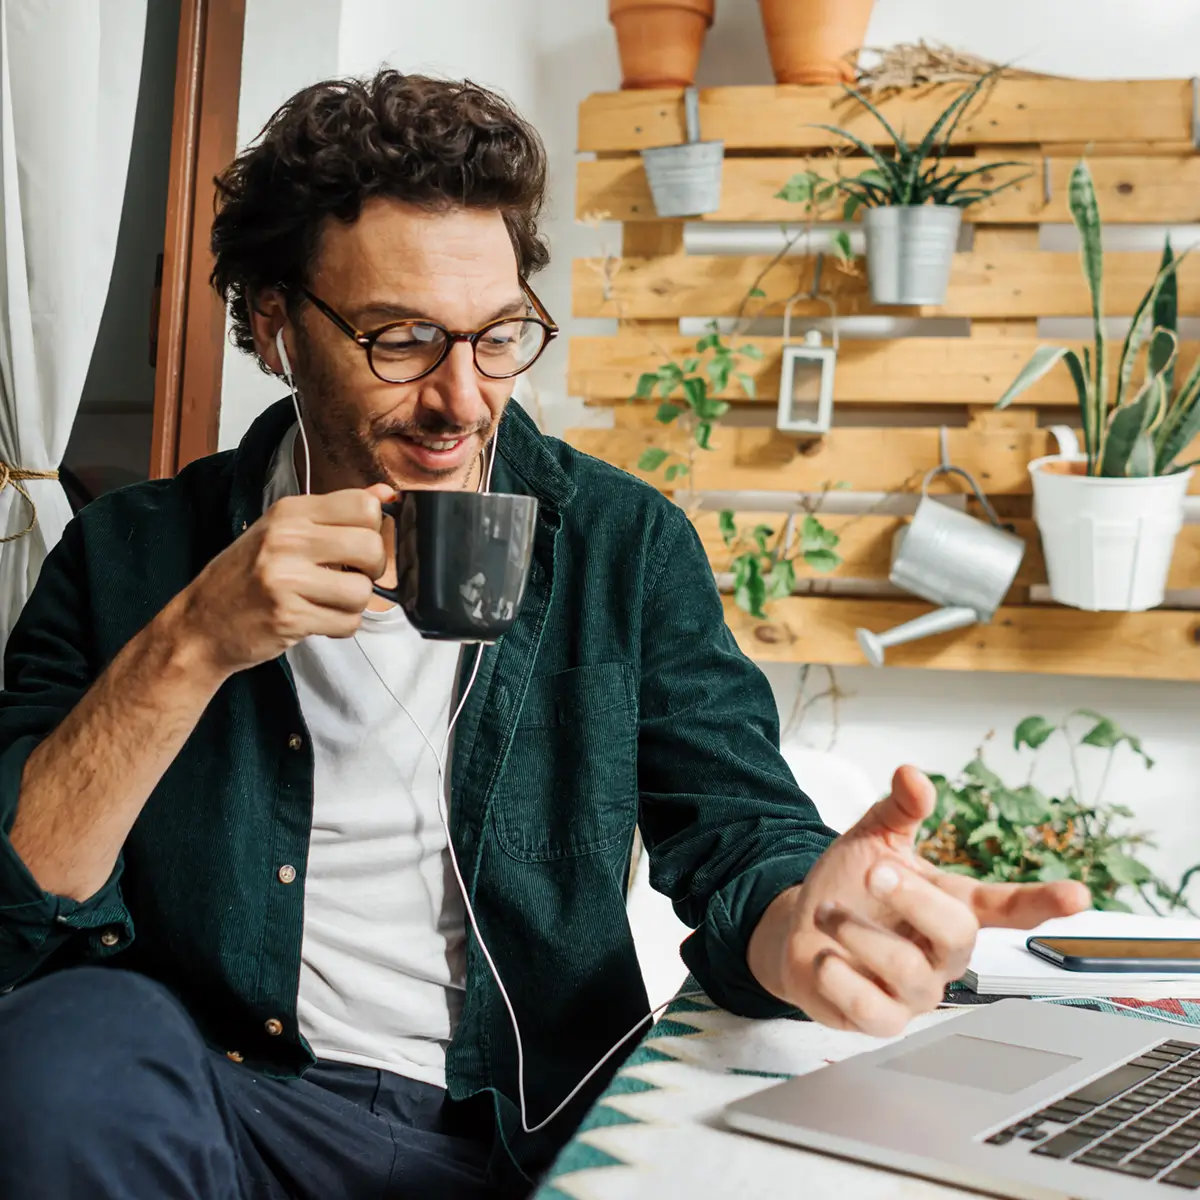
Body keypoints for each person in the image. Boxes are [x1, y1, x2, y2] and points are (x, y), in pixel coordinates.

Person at [0, 71, 1089, 1200]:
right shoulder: (130, 558)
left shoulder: (620, 542)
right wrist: (195, 643)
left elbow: (736, 838)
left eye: (500, 337)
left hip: (521, 1131)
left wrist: (801, 922)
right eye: (403, 337)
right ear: (276, 326)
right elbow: (18, 909)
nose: (463, 400)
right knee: (60, 1048)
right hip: (225, 1109)